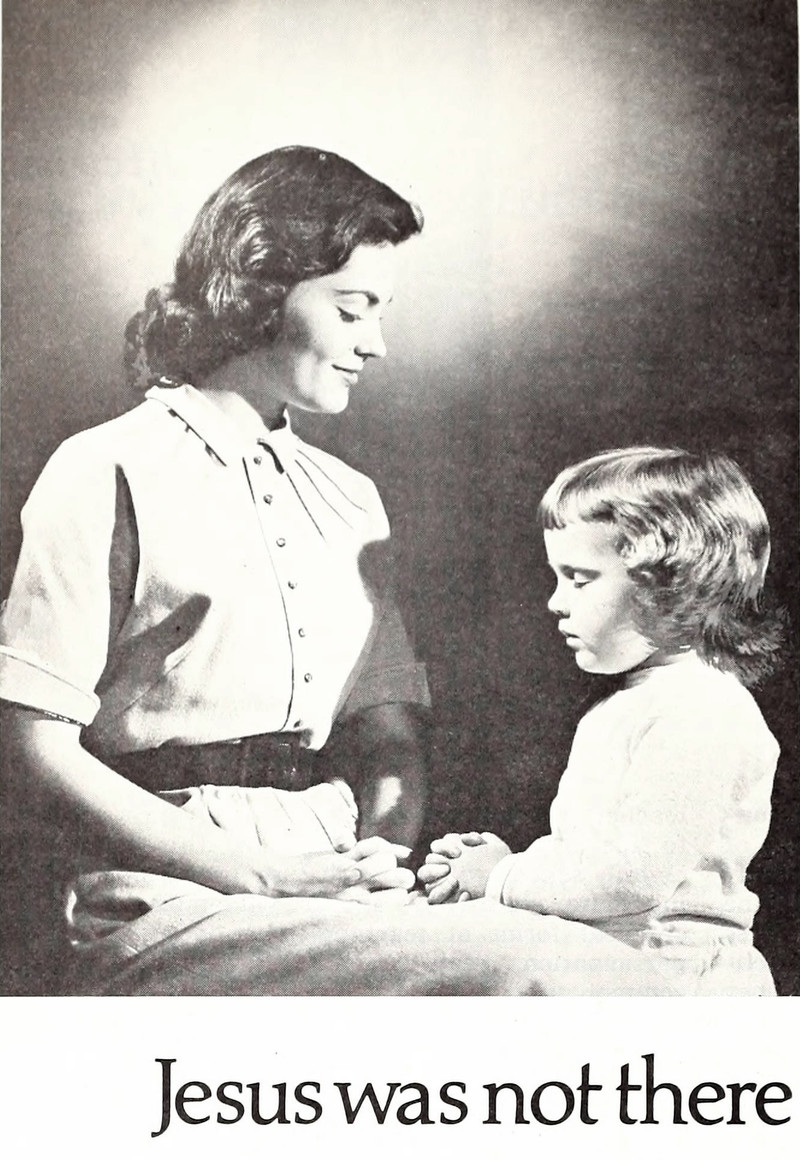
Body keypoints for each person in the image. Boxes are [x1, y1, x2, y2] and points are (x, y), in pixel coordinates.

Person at [0, 150, 681, 997]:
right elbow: (30, 748)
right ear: (256, 287)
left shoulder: (350, 499)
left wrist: (380, 859)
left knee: (621, 967)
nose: (377, 344)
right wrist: (260, 875)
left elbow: (389, 736)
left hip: (336, 878)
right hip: (161, 894)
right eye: (353, 310)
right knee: (536, 973)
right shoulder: (106, 466)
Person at [419, 447, 782, 997]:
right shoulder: (631, 703)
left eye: (579, 579)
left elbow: (634, 876)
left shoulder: (702, 708)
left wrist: (502, 876)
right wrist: (503, 865)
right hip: (616, 962)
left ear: (672, 583)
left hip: (676, 978)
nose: (554, 602)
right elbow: (597, 856)